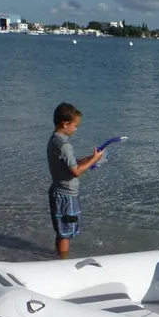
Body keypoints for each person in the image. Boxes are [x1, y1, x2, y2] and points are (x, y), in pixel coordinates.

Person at [47, 102, 105, 259]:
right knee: (66, 233)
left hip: (58, 192)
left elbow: (69, 164)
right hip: (66, 195)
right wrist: (93, 160)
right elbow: (76, 171)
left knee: (62, 231)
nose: (76, 129)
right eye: (75, 125)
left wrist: (89, 158)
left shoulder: (54, 140)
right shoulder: (64, 145)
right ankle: (63, 262)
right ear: (66, 124)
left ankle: (58, 257)